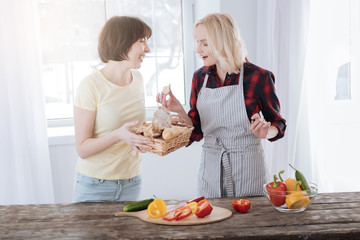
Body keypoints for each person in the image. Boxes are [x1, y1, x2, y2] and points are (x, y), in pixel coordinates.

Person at [157, 13, 286, 198]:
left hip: (249, 168)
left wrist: (267, 132)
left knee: (249, 224)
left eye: (205, 43)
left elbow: (278, 123)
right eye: (197, 43)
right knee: (210, 222)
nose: (198, 49)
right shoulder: (199, 77)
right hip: (211, 167)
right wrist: (179, 110)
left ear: (223, 42)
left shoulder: (258, 77)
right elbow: (197, 131)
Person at [73, 16, 153, 202]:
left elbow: (133, 129)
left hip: (131, 181)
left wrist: (144, 138)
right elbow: (82, 148)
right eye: (142, 41)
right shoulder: (90, 85)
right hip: (95, 184)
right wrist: (118, 135)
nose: (147, 49)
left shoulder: (138, 79)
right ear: (122, 42)